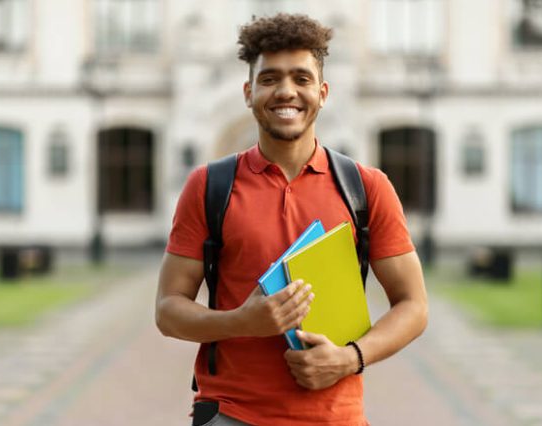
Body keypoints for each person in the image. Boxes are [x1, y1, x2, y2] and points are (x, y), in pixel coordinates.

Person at [156, 13, 428, 426]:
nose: (286, 92)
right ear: (248, 92)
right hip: (230, 413)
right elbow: (168, 310)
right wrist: (242, 321)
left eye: (301, 78)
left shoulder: (366, 188)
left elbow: (414, 305)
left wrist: (349, 358)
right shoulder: (209, 186)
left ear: (322, 92)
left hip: (336, 417)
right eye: (270, 79)